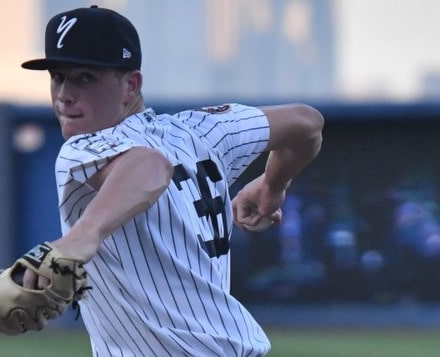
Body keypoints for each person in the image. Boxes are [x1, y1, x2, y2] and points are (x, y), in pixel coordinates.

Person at [18, 5, 323, 356]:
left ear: (130, 85)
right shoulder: (202, 131)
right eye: (58, 76)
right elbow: (306, 122)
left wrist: (82, 237)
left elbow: (150, 167)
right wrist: (273, 186)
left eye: (85, 78)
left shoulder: (82, 149)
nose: (63, 94)